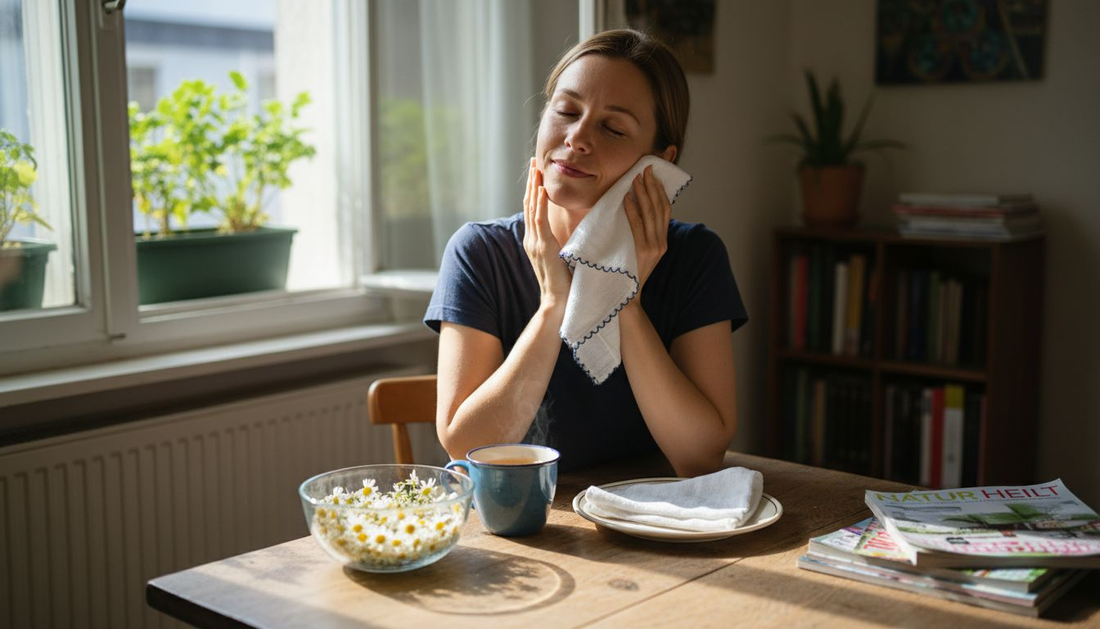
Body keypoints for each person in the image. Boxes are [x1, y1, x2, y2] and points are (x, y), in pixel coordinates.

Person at [424, 29, 748, 477]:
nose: (576, 138)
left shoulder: (696, 256)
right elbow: (466, 445)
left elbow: (699, 457)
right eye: (566, 111)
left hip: (649, 511)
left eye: (613, 128)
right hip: (527, 516)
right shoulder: (479, 253)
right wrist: (553, 305)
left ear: (659, 162)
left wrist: (627, 301)